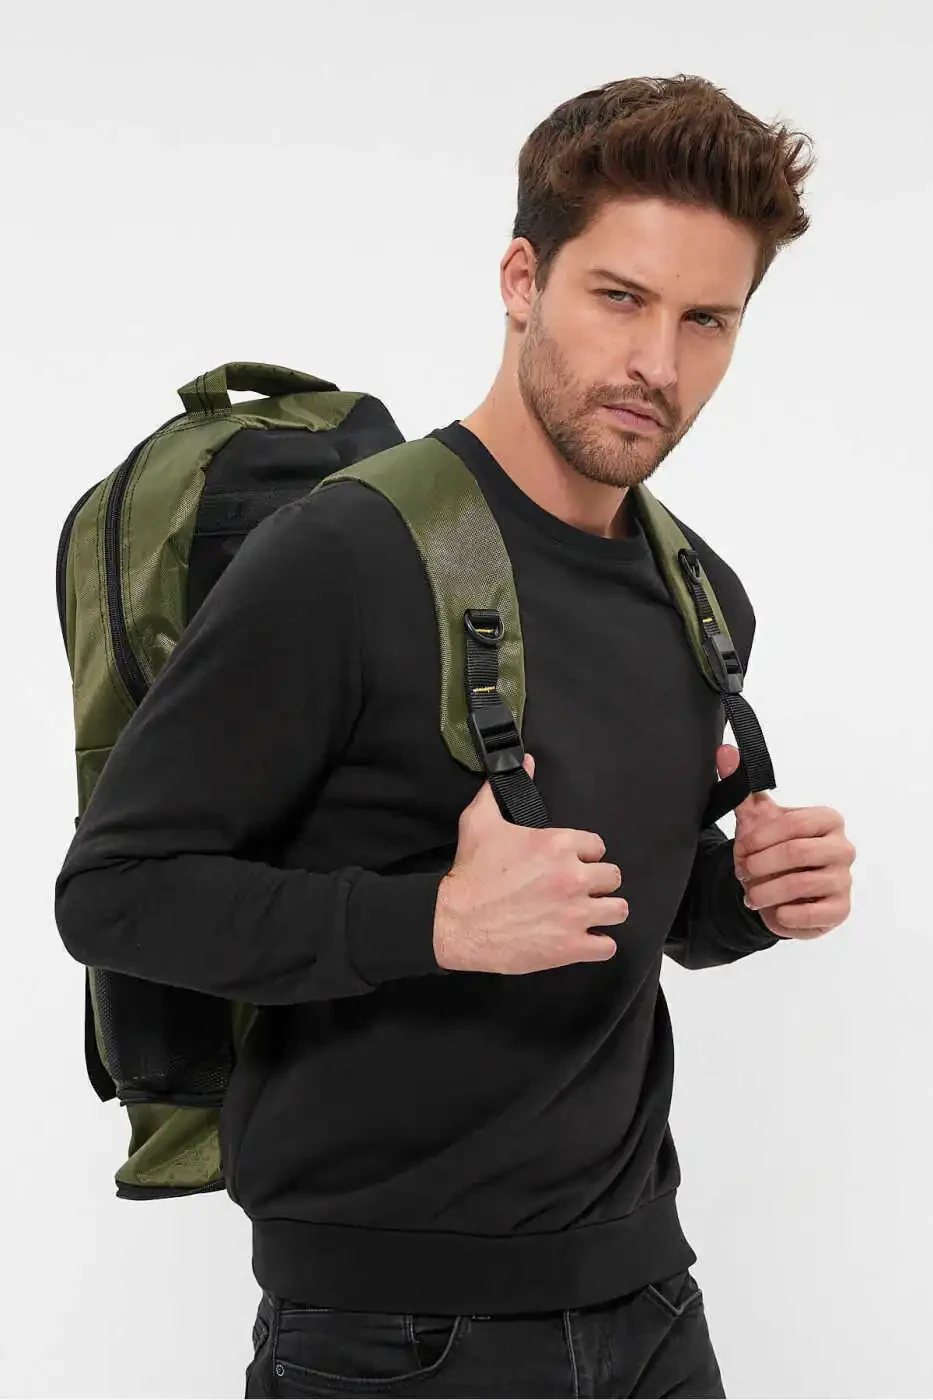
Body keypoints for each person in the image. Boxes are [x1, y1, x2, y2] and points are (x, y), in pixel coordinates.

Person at [55, 73, 856, 1399]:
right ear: (521, 279)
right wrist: (433, 922)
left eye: (707, 320)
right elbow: (114, 895)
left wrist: (746, 898)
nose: (659, 366)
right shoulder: (345, 559)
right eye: (620, 298)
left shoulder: (700, 593)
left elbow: (622, 914)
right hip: (388, 1339)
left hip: (654, 1307)